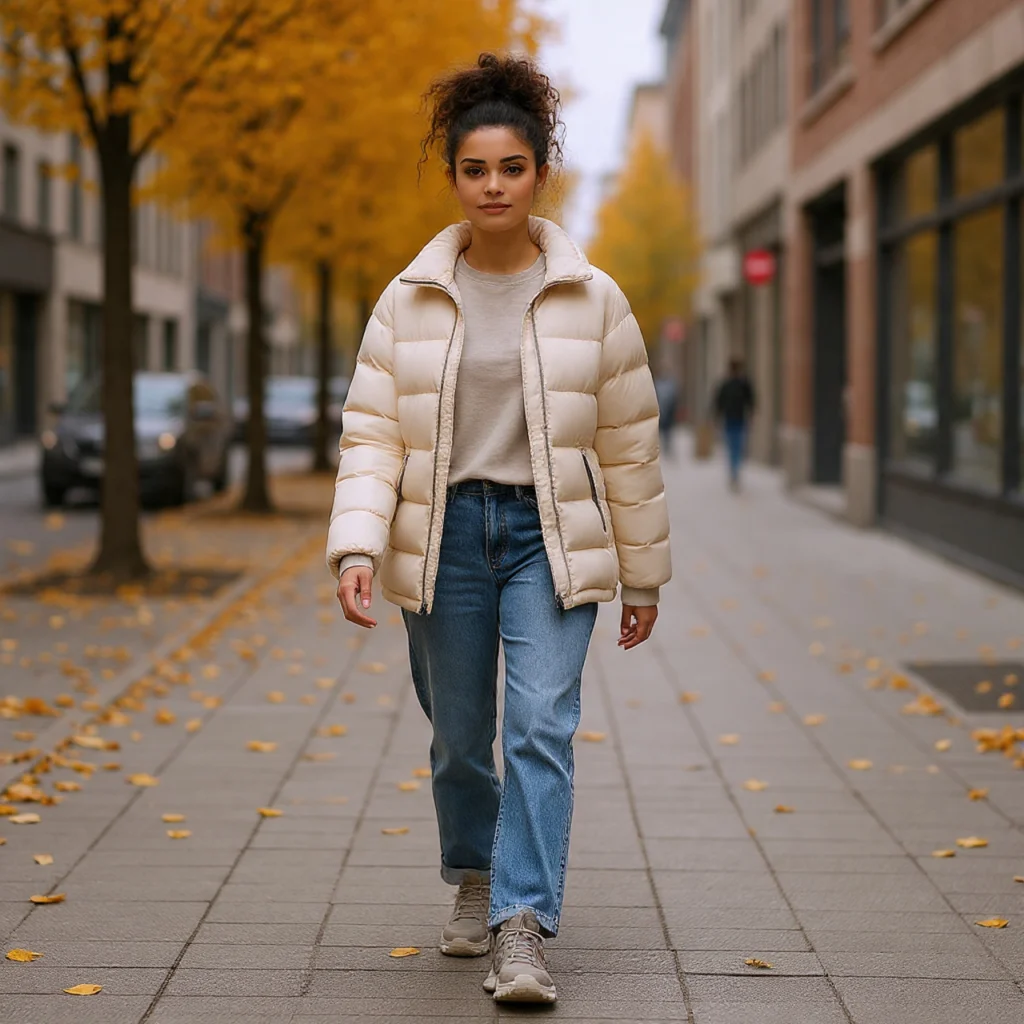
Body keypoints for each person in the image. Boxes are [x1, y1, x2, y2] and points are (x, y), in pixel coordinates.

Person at [326, 53, 671, 1006]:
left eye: (511, 168)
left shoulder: (593, 298)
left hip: (545, 536)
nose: (493, 186)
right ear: (453, 177)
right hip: (441, 539)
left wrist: (641, 575)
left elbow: (630, 445)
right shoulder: (408, 299)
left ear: (539, 172)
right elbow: (371, 435)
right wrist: (357, 543)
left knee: (540, 728)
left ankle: (522, 925)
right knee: (462, 739)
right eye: (475, 170)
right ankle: (475, 872)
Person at [713, 357, 756, 490]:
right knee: (736, 447)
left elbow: (718, 403)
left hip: (731, 419)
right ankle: (735, 472)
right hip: (737, 419)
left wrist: (717, 417)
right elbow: (751, 402)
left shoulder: (728, 384)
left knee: (732, 447)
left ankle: (734, 471)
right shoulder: (742, 384)